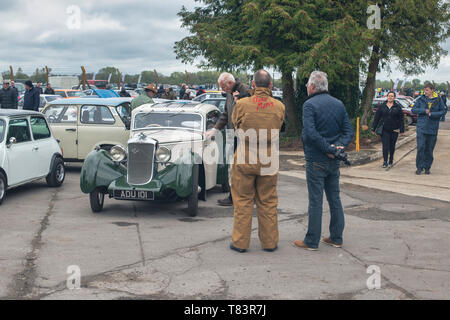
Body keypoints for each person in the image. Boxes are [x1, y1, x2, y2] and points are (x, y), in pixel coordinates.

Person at [293, 71, 354, 251]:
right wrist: (337, 149)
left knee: (316, 201)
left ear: (312, 86)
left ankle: (312, 240)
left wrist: (329, 150)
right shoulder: (338, 104)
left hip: (316, 159)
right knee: (334, 198)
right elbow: (348, 131)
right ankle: (336, 237)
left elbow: (311, 134)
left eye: (307, 85)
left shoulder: (309, 105)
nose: (306, 88)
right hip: (334, 160)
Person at [229, 69, 285, 253]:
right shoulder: (279, 106)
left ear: (253, 84)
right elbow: (280, 126)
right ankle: (269, 243)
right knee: (268, 201)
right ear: (270, 85)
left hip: (245, 154)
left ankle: (240, 243)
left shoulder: (242, 104)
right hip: (268, 156)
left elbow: (235, 125)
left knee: (243, 200)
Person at [205, 72, 250, 207]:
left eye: (223, 88)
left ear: (229, 83)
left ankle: (238, 197)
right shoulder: (231, 93)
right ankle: (234, 196)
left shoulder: (245, 91)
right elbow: (226, 114)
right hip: (232, 133)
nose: (222, 91)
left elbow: (248, 112)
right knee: (233, 167)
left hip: (243, 134)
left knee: (240, 168)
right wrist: (215, 129)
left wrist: (239, 100)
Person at [411, 83, 447, 175]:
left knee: (429, 149)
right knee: (421, 147)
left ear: (432, 90)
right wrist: (424, 111)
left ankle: (427, 167)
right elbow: (413, 109)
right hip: (421, 128)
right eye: (424, 90)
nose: (425, 92)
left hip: (432, 128)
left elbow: (443, 111)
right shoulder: (421, 99)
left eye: (427, 90)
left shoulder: (438, 100)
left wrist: (432, 114)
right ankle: (419, 167)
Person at [372, 91, 405, 168]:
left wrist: (402, 129)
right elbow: (377, 117)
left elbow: (401, 119)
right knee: (385, 146)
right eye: (389, 96)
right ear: (387, 97)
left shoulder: (397, 107)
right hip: (385, 129)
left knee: (392, 146)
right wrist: (373, 128)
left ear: (394, 97)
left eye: (392, 96)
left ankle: (391, 159)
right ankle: (385, 161)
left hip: (394, 130)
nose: (390, 97)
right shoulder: (382, 106)